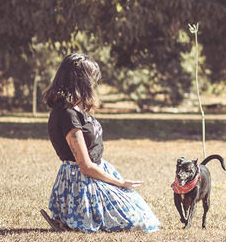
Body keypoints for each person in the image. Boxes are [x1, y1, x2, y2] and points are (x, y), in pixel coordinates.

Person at [39, 53, 160, 232]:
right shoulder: (67, 115)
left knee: (145, 217)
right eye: (92, 79)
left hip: (93, 173)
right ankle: (72, 221)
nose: (94, 83)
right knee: (140, 223)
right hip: (81, 180)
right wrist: (121, 183)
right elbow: (85, 166)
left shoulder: (74, 109)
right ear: (80, 81)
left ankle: (68, 222)